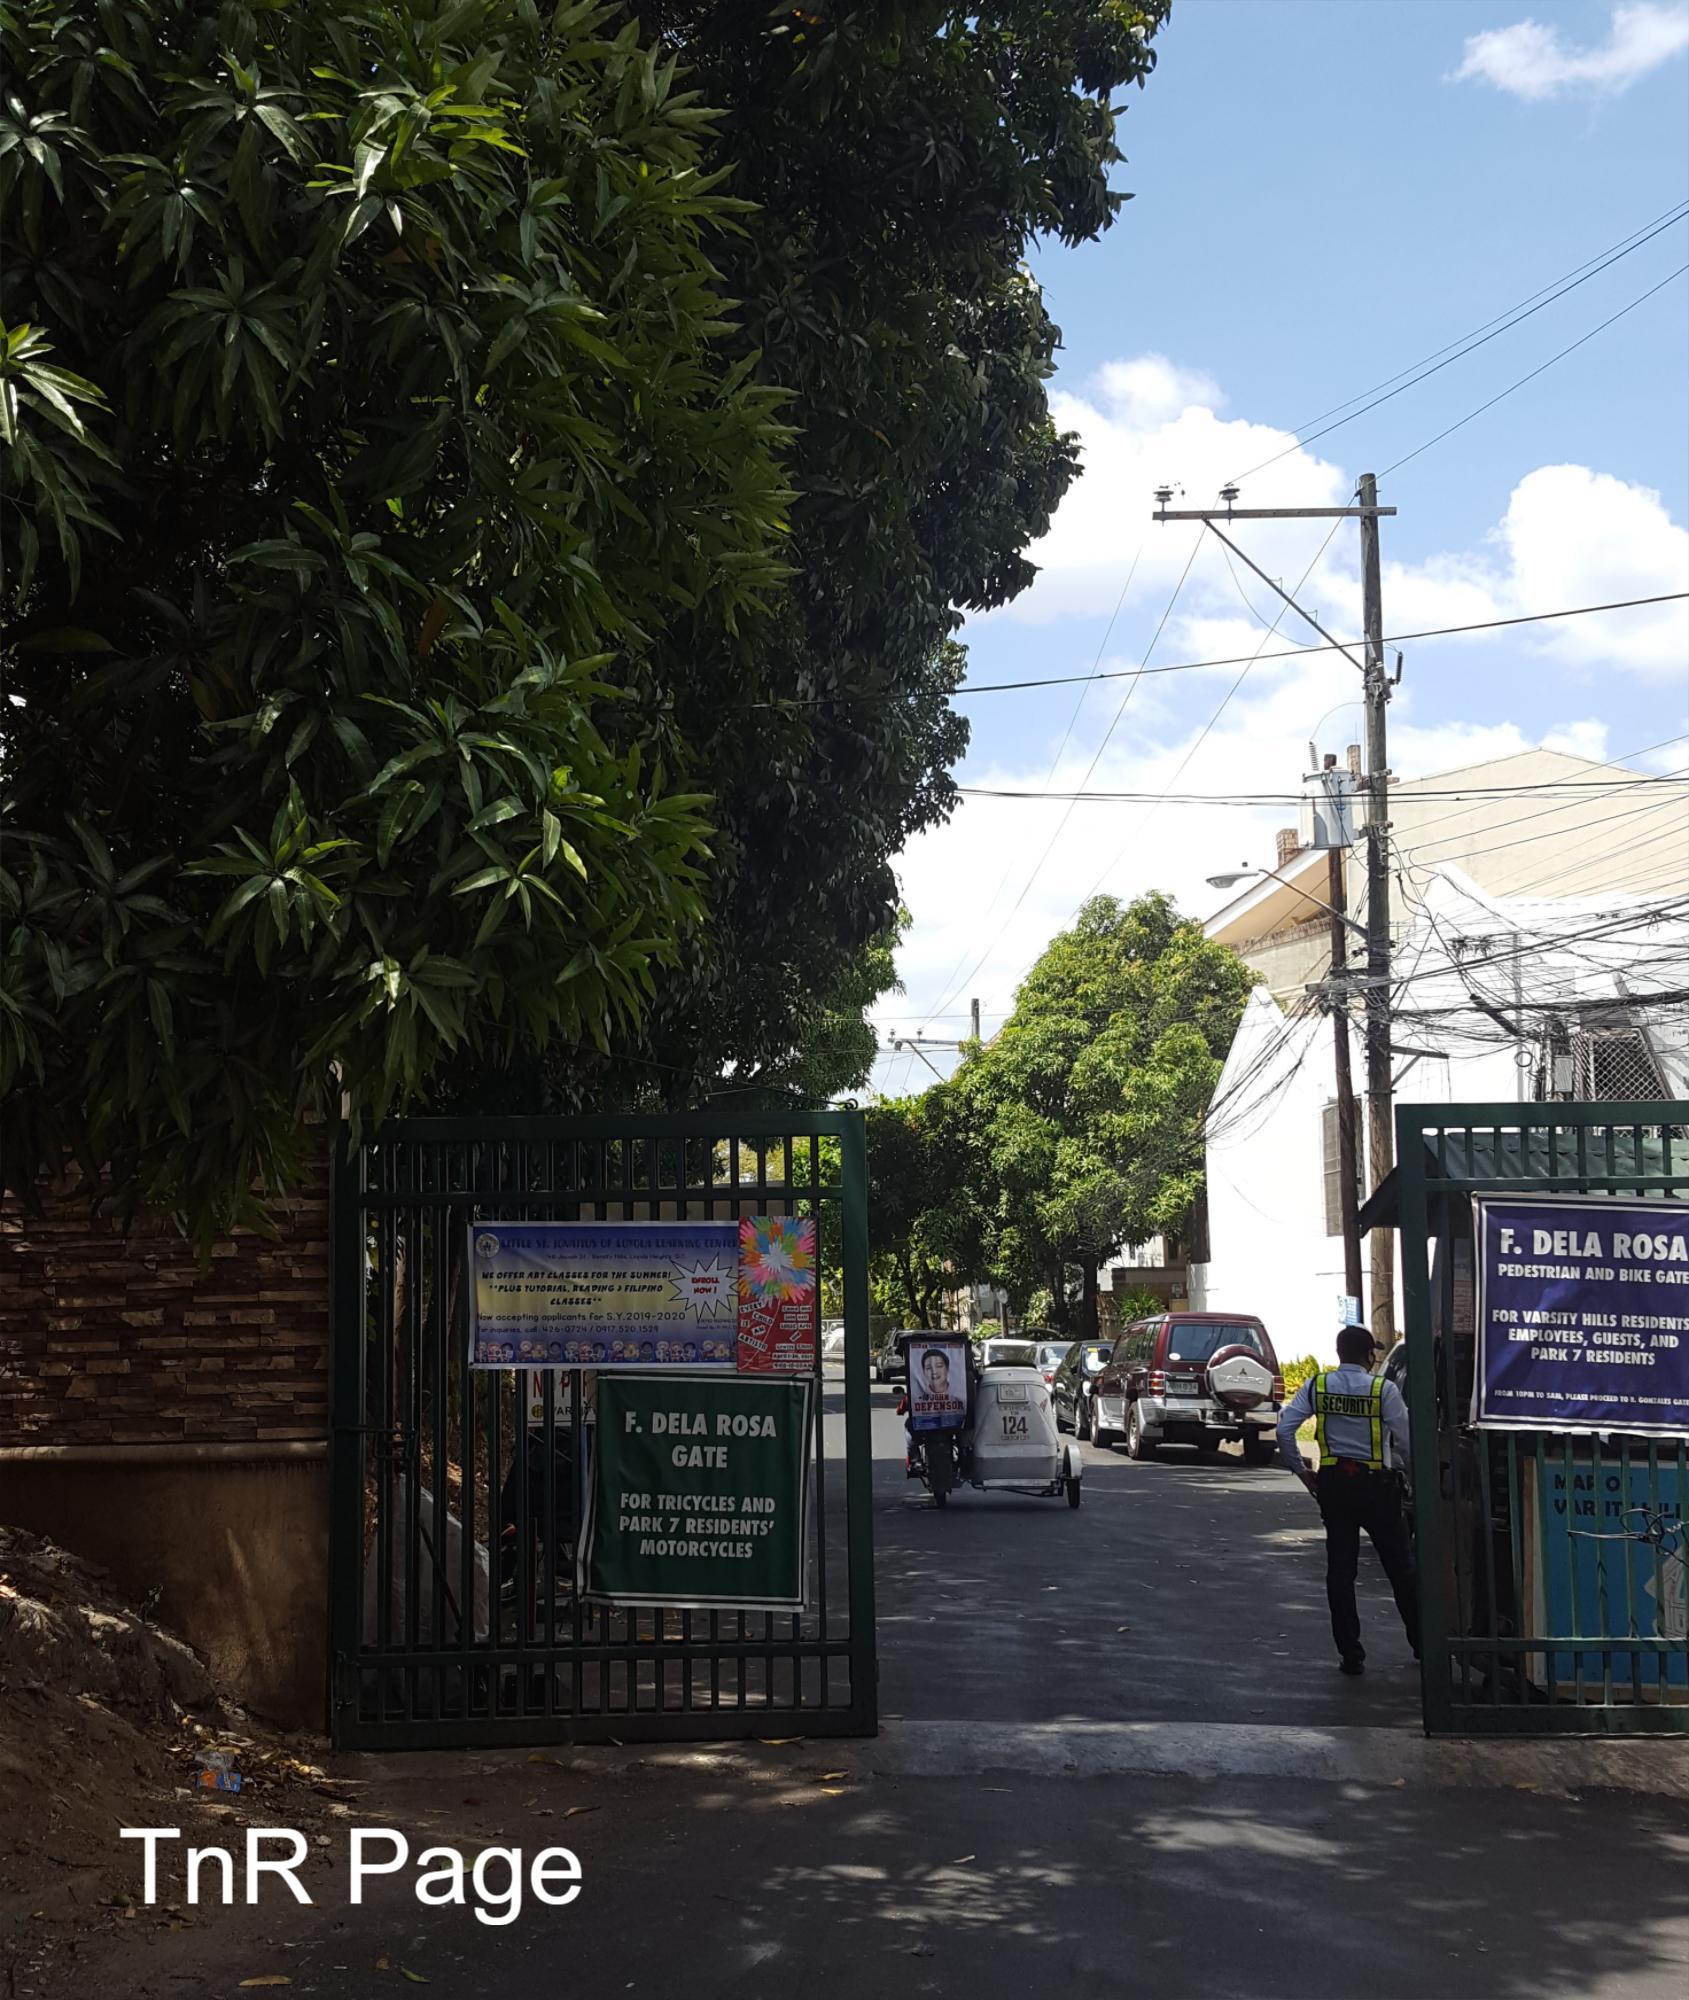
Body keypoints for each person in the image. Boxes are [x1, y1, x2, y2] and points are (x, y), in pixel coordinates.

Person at [1276, 1324, 1419, 1677]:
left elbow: (1284, 1428)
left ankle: (1350, 1654)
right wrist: (1416, 1483)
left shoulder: (1318, 1386)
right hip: (1378, 1487)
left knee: (1341, 1572)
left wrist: (1302, 1471)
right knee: (1401, 1569)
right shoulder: (1382, 1390)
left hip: (1335, 1486)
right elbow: (1406, 1440)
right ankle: (1422, 1644)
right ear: (1369, 1355)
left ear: (1339, 1353)